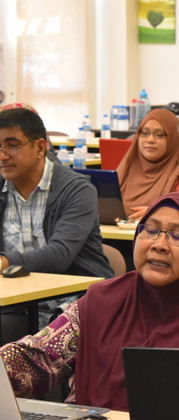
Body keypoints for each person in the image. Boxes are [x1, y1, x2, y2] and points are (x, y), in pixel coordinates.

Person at [1, 193, 179, 410]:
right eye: (150, 230)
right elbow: (33, 359)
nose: (159, 244)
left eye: (177, 235)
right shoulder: (103, 301)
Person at [0, 107, 113, 343]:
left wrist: (5, 261)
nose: (2, 156)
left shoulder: (77, 190)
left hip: (74, 303)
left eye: (12, 145)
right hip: (17, 304)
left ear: (40, 147)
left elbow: (60, 254)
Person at [117, 108, 179, 221]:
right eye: (145, 133)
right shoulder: (127, 167)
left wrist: (156, 213)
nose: (150, 140)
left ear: (173, 139)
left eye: (159, 135)